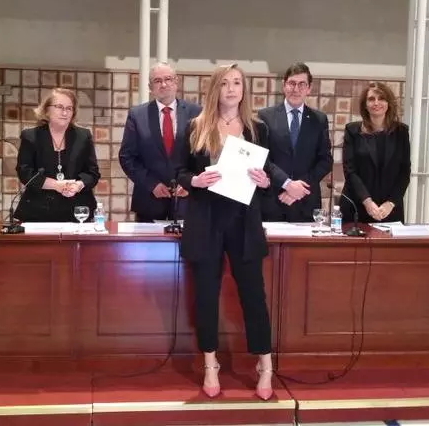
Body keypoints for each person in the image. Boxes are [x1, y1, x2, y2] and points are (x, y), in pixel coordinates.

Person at [176, 63, 277, 401]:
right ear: (214, 89)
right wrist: (194, 180)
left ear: (244, 90)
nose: (231, 89)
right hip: (206, 220)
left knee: (254, 295)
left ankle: (265, 365)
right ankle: (210, 363)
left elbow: (266, 173)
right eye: (225, 83)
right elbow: (178, 170)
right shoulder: (195, 126)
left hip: (244, 221)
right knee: (206, 295)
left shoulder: (258, 128)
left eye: (237, 83)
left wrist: (265, 181)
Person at [118, 63, 201, 222]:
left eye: (168, 79)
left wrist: (190, 182)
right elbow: (127, 157)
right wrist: (152, 184)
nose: (163, 84)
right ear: (150, 87)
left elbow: (202, 154)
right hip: (149, 201)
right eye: (157, 81)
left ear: (176, 82)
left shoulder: (196, 112)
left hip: (187, 200)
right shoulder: (137, 115)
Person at [257, 63, 333, 222]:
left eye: (302, 84)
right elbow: (262, 158)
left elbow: (325, 160)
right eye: (292, 83)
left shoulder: (319, 120)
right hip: (274, 200)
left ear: (309, 88)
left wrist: (298, 188)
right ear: (284, 85)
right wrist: (287, 184)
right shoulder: (265, 116)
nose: (296, 89)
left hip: (306, 202)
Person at [14, 88, 100, 222]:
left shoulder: (83, 136)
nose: (65, 112)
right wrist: (56, 185)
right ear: (46, 110)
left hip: (77, 211)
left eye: (69, 108)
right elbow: (25, 173)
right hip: (38, 211)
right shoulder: (31, 136)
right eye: (59, 107)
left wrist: (78, 185)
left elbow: (92, 173)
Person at [341, 81, 411, 224]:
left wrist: (390, 203)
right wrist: (367, 202)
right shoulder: (353, 131)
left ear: (388, 103)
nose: (376, 103)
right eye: (371, 99)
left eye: (382, 98)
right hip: (358, 206)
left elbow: (404, 172)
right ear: (365, 105)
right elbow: (350, 171)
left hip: (389, 209)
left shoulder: (401, 132)